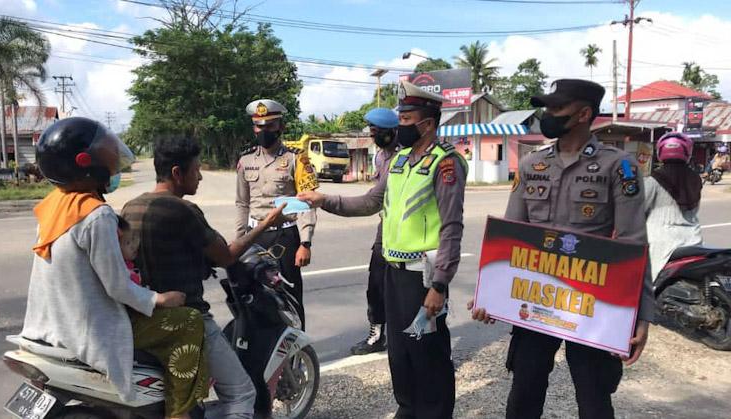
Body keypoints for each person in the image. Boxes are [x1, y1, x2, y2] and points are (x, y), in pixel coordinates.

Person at [470, 79, 656, 419]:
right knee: (524, 390)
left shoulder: (619, 166)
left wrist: (641, 314)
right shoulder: (530, 165)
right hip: (536, 298)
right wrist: (490, 296)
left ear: (584, 114)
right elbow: (513, 237)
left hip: (591, 302)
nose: (548, 115)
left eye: (557, 109)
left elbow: (633, 243)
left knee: (593, 395)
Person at [299, 80, 467, 419]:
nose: (400, 126)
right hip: (393, 273)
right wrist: (323, 200)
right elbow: (370, 202)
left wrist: (439, 285)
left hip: (424, 278)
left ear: (427, 123)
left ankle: (433, 413)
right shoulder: (400, 160)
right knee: (401, 354)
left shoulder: (445, 163)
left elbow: (451, 227)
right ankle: (408, 408)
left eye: (406, 120)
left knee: (428, 353)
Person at [20, 117, 206, 419]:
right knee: (189, 322)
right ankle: (179, 412)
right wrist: (159, 299)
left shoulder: (54, 206)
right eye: (104, 154)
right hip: (88, 329)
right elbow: (117, 286)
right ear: (85, 164)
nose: (112, 161)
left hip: (49, 325)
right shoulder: (97, 216)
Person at [122, 136, 285, 419]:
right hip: (186, 317)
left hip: (142, 316)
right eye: (196, 170)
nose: (199, 177)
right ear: (177, 173)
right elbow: (226, 255)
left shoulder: (131, 206)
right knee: (241, 394)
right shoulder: (182, 210)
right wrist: (265, 224)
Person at [235, 99, 318, 328]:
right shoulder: (245, 160)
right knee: (257, 296)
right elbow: (242, 203)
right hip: (255, 236)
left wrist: (305, 242)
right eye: (259, 126)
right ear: (254, 127)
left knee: (289, 295)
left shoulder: (296, 159)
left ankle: (297, 352)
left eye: (269, 126)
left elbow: (306, 203)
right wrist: (239, 239)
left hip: (285, 237)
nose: (263, 131)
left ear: (280, 127)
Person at [350, 107, 400, 356]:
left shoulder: (404, 156)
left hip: (408, 232)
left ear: (393, 132)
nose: (374, 135)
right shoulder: (380, 156)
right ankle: (377, 335)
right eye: (372, 131)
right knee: (375, 285)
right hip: (385, 228)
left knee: (407, 289)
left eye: (378, 131)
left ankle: (421, 342)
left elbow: (373, 200)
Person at [644, 132, 703, 280]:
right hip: (693, 239)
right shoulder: (696, 179)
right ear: (687, 152)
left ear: (660, 152)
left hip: (660, 242)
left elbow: (637, 209)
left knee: (649, 287)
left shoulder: (653, 181)